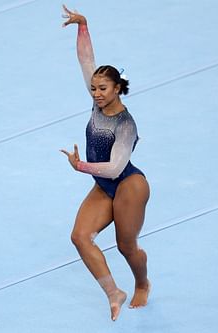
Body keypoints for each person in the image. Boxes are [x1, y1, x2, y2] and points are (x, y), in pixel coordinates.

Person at [60, 5, 151, 321]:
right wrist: (83, 26)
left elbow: (114, 168)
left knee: (126, 246)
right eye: (94, 88)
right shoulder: (97, 103)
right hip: (105, 186)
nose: (96, 93)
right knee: (79, 237)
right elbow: (86, 60)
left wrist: (80, 165)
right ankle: (114, 292)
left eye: (102, 89)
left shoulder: (126, 125)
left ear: (117, 89)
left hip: (128, 185)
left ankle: (142, 282)